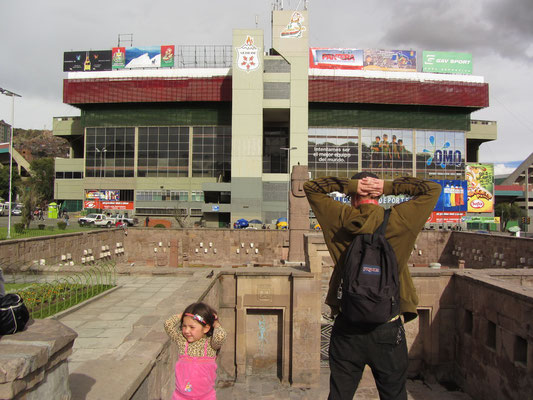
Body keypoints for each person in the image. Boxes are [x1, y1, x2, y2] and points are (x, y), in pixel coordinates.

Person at [304, 172, 440, 400]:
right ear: (378, 196)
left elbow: (311, 187)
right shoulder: (401, 220)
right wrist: (387, 186)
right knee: (394, 394)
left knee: (339, 395)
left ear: (351, 197)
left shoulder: (339, 218)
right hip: (387, 327)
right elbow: (432, 189)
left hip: (348, 326)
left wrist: (351, 185)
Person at [164, 302, 227, 400]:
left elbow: (220, 336)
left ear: (206, 328)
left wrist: (215, 323)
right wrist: (184, 314)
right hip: (181, 396)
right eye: (184, 326)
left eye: (192, 327)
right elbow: (168, 324)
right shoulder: (182, 341)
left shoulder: (210, 344)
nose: (187, 331)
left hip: (205, 397)